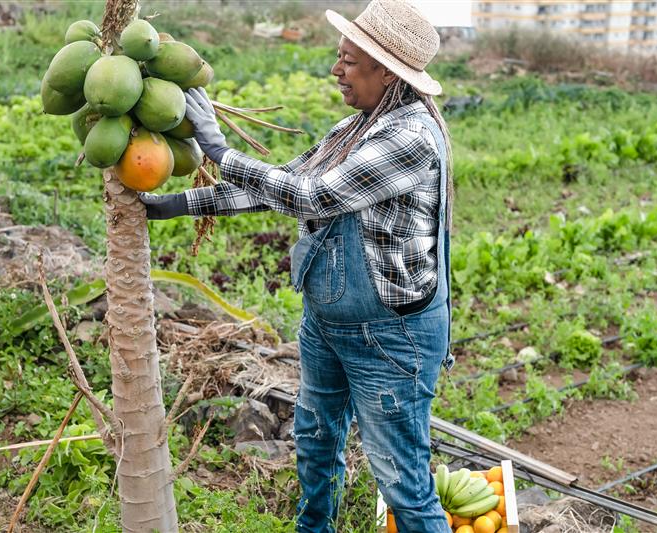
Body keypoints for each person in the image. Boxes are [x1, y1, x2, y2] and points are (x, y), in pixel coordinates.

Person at [140, 1, 454, 531]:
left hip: (390, 337)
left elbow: (312, 196)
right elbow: (280, 186)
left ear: (388, 72)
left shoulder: (410, 138)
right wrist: (176, 205)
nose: (337, 70)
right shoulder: (354, 128)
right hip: (327, 323)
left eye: (349, 61)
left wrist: (218, 148)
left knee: (402, 480)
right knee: (314, 442)